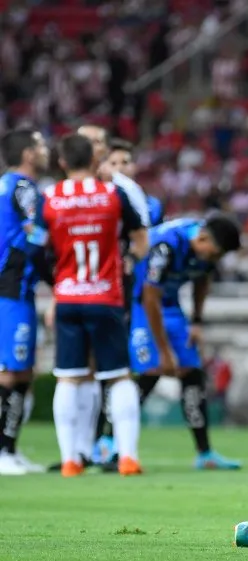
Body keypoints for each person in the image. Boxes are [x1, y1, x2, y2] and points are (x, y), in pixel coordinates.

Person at [30, 133, 149, 477]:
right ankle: (127, 457)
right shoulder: (113, 194)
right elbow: (141, 238)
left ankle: (70, 459)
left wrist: (55, 282)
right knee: (119, 376)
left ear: (63, 162)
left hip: (68, 298)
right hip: (106, 297)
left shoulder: (49, 198)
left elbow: (35, 248)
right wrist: (128, 261)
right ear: (95, 161)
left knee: (69, 378)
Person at [128, 215, 242, 469]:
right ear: (202, 238)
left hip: (169, 305)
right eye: (214, 254)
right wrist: (164, 350)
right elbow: (150, 297)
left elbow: (202, 280)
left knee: (192, 370)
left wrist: (197, 322)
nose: (214, 260)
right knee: (152, 368)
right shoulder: (166, 245)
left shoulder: (206, 250)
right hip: (138, 303)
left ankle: (205, 454)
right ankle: (111, 442)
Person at [91, 137, 165, 467]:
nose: (119, 169)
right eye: (114, 163)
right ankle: (99, 442)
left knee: (130, 367)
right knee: (101, 368)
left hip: (134, 296)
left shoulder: (146, 204)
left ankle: (110, 439)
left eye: (125, 163)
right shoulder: (103, 197)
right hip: (108, 292)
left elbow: (149, 249)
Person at [0, 129, 50, 475]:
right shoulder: (23, 188)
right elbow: (37, 232)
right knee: (10, 372)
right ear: (28, 154)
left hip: (16, 287)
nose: (46, 150)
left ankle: (10, 450)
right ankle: (3, 452)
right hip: (12, 288)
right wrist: (56, 276)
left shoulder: (6, 186)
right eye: (41, 146)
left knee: (22, 372)